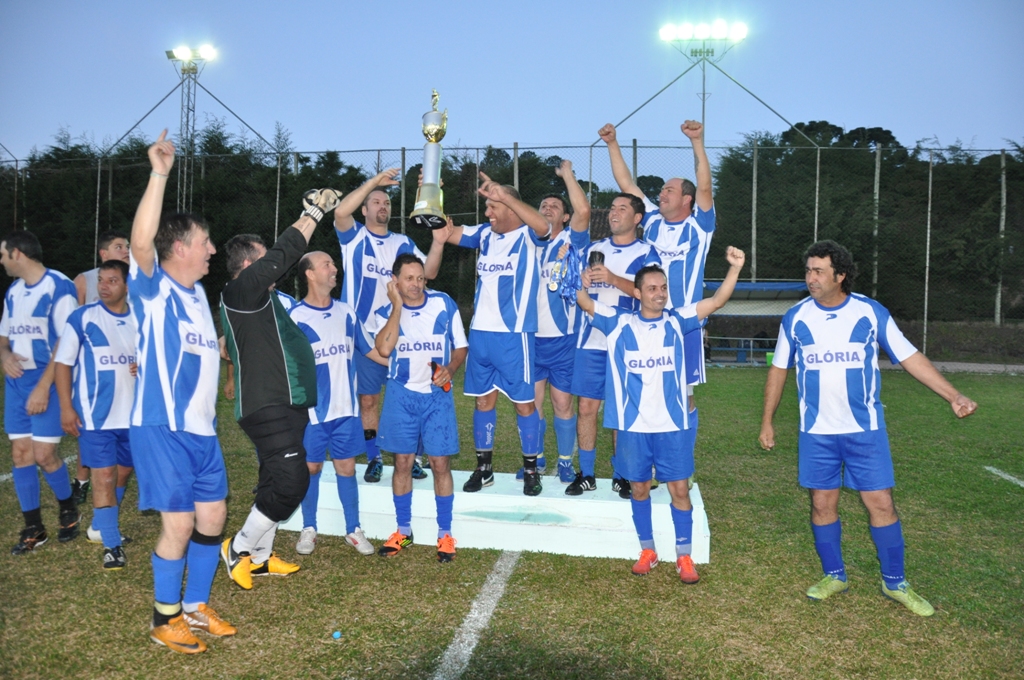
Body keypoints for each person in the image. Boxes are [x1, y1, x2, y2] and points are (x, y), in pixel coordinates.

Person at [759, 240, 977, 617]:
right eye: (808, 270)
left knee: (881, 503)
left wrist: (952, 395)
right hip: (816, 433)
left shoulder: (869, 312)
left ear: (840, 275)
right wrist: (767, 421)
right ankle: (835, 575)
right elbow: (779, 370)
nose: (810, 278)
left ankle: (895, 583)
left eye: (819, 271)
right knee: (822, 503)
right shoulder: (795, 317)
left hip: (865, 431)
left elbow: (909, 356)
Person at [575, 247, 745, 583]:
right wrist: (578, 279)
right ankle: (648, 550)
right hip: (633, 426)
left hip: (672, 425)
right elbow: (584, 301)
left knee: (679, 489)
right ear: (637, 293)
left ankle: (684, 556)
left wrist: (735, 269)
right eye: (652, 288)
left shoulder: (678, 320)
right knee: (639, 488)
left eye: (663, 288)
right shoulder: (618, 322)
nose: (660, 293)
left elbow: (717, 302)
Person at [128, 130, 232, 653]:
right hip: (162, 427)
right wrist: (160, 173)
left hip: (201, 432)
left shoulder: (197, 298)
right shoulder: (154, 287)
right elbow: (141, 242)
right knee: (180, 523)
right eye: (206, 241)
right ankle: (163, 618)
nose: (213, 249)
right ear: (181, 247)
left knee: (213, 517)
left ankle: (194, 606)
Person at [218, 190, 340, 591]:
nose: (273, 261)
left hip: (285, 402)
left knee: (273, 477)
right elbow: (286, 252)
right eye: (264, 256)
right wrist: (315, 212)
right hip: (266, 404)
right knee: (292, 481)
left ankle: (261, 559)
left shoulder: (258, 299)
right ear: (251, 266)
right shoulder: (242, 291)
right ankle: (238, 548)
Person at [600, 120, 715, 486]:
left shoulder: (700, 227)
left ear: (687, 199)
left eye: (669, 190)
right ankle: (636, 467)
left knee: (685, 396)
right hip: (643, 323)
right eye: (662, 190)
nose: (661, 194)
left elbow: (706, 184)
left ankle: (680, 464)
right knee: (640, 394)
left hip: (683, 325)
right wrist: (613, 143)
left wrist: (697, 143)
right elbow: (627, 185)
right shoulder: (650, 222)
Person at [333, 169, 448, 483]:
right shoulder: (353, 236)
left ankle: (412, 458)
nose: (382, 206)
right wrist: (374, 182)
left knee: (411, 397)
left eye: (386, 202)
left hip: (402, 334)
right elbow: (340, 211)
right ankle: (373, 458)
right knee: (368, 400)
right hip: (363, 336)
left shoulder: (403, 242)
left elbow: (431, 273)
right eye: (376, 202)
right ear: (365, 210)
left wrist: (438, 243)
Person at [443, 173, 552, 496]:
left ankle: (531, 469)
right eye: (488, 206)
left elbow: (545, 226)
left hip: (514, 335)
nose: (488, 213)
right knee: (483, 400)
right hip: (481, 334)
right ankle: (484, 468)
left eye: (494, 206)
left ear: (511, 208)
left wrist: (506, 197)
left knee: (524, 404)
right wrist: (430, 190)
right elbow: (446, 234)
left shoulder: (529, 236)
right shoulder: (485, 235)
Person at [374, 253, 468, 561]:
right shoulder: (385, 311)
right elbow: (384, 348)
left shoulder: (443, 304)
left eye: (420, 278)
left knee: (440, 464)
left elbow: (461, 347)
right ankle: (403, 530)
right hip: (401, 396)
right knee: (402, 463)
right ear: (395, 281)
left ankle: (445, 534)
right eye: (409, 279)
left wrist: (450, 370)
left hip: (436, 396)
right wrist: (397, 306)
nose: (416, 284)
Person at [290, 250, 382, 557]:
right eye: (326, 264)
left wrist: (406, 362)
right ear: (310, 274)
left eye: (333, 263)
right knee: (311, 467)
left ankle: (353, 529)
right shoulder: (295, 317)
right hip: (312, 414)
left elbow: (370, 350)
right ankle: (308, 527)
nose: (334, 268)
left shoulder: (347, 312)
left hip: (346, 411)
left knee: (346, 467)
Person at [568, 193, 659, 497]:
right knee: (586, 407)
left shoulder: (648, 253)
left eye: (623, 209)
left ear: (637, 219)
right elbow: (576, 289)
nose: (614, 213)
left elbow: (650, 294)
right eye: (612, 208)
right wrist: (582, 280)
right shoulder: (595, 248)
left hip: (626, 343)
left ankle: (622, 474)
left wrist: (613, 278)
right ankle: (588, 474)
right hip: (591, 340)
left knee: (623, 411)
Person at [1, 230, 81, 555]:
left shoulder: (59, 287)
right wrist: (5, 356)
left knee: (44, 455)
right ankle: (34, 526)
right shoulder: (13, 291)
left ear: (18, 253)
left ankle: (68, 508)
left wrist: (44, 387)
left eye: (3, 254)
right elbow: (3, 337)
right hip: (17, 383)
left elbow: (66, 341)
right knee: (20, 454)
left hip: (48, 379)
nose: (1, 260)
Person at [54, 259, 136, 570]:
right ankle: (112, 545)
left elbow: (155, 360)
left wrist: (144, 366)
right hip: (96, 417)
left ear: (127, 286)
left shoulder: (141, 319)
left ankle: (101, 525)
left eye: (112, 281)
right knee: (103, 476)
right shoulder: (82, 318)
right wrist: (65, 406)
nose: (103, 286)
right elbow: (63, 363)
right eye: (101, 280)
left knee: (123, 473)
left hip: (134, 417)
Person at [520, 159, 590, 485]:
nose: (547, 208)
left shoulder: (572, 244)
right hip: (530, 338)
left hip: (562, 339)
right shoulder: (526, 243)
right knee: (532, 404)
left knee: (562, 403)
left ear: (564, 216)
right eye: (543, 205)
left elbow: (584, 212)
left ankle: (565, 461)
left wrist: (567, 176)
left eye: (554, 206)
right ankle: (536, 459)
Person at [71, 229, 131, 502]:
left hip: (127, 380)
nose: (126, 251)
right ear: (103, 253)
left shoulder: (137, 282)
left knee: (125, 448)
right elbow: (71, 330)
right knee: (93, 427)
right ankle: (81, 481)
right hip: (94, 372)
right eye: (120, 247)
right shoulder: (84, 281)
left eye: (128, 246)